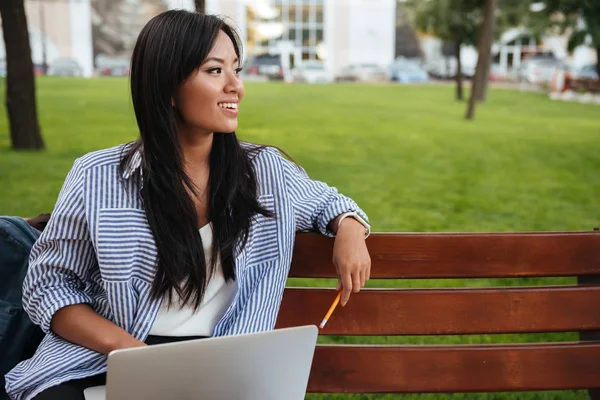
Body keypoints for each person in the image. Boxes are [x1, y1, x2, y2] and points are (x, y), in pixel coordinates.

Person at [5, 10, 371, 400]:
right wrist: (133, 354)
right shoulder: (97, 175)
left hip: (223, 367)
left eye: (237, 69)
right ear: (167, 85)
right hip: (105, 358)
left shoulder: (266, 172)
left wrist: (349, 227)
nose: (236, 86)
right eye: (215, 71)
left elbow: (330, 203)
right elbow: (49, 285)